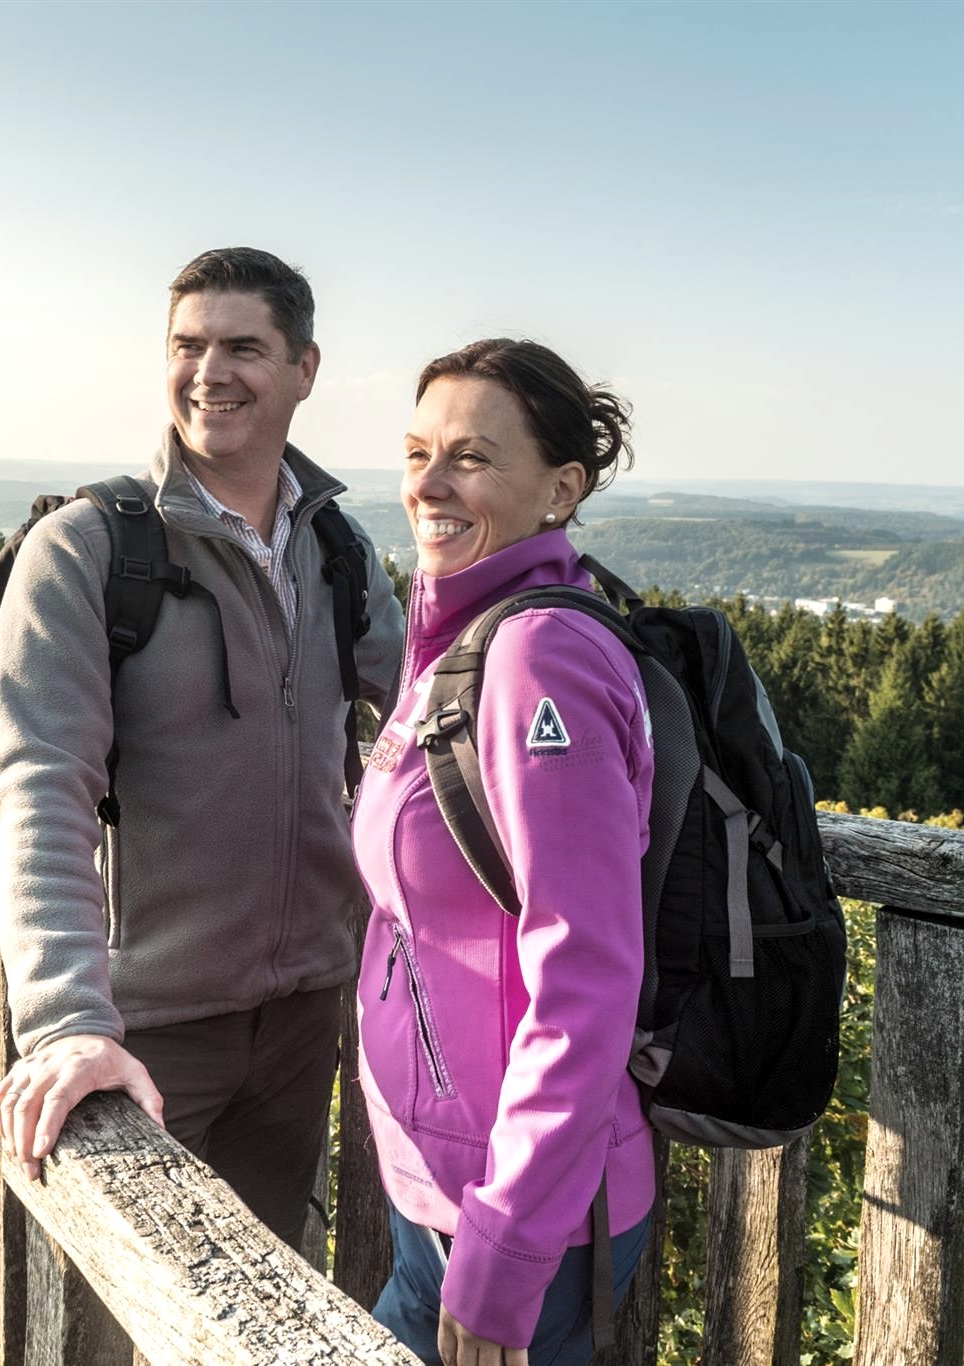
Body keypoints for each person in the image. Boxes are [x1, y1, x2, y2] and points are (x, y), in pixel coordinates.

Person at [0, 246, 404, 1249]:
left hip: (303, 1016)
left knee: (262, 1295)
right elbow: (33, 782)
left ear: (303, 368)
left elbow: (431, 715)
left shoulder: (335, 550)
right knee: (129, 1302)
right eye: (187, 345)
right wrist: (68, 1019)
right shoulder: (89, 550)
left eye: (242, 347)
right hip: (141, 1029)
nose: (209, 371)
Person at [354, 338, 655, 1365]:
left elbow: (585, 973)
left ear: (560, 489)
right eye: (416, 453)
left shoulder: (536, 659)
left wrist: (506, 1249)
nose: (428, 484)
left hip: (519, 1212)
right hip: (450, 1185)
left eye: (471, 458)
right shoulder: (459, 633)